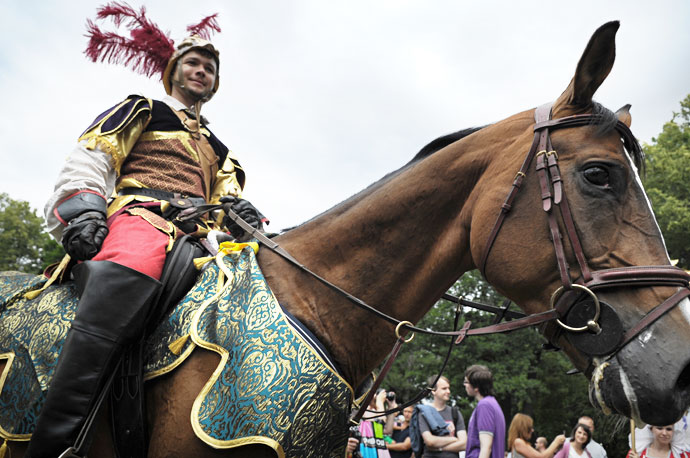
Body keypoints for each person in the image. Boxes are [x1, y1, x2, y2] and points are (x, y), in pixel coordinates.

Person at [26, 5, 266, 458]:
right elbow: (92, 156)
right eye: (193, 63)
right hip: (142, 215)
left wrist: (245, 216)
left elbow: (228, 200)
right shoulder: (144, 108)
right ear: (173, 71)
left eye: (209, 68)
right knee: (131, 267)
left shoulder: (221, 149)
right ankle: (56, 441)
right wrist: (84, 213)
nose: (201, 71)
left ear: (215, 84)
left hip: (204, 237)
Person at [418, 375, 467, 457]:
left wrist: (439, 448)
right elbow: (430, 441)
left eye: (448, 388)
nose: (448, 391)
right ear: (433, 391)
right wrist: (453, 439)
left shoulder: (455, 412)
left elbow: (464, 444)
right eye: (444, 388)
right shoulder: (424, 413)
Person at [464, 365, 506, 458]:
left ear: (476, 387)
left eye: (466, 382)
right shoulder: (492, 404)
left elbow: (486, 447)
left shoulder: (485, 405)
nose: (464, 385)